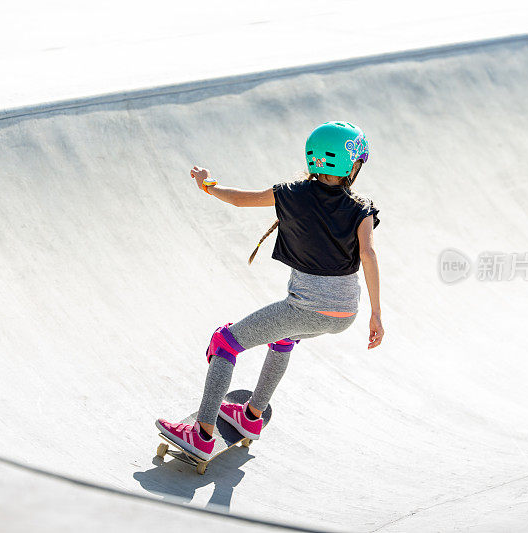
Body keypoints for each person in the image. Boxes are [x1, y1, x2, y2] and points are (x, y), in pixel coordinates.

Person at [156, 121, 383, 460]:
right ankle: (250, 417)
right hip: (344, 315)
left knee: (225, 342)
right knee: (283, 337)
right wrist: (376, 315)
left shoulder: (290, 193)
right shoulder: (362, 207)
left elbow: (239, 200)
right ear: (352, 165)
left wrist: (208, 185)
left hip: (306, 307)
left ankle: (202, 435)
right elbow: (368, 254)